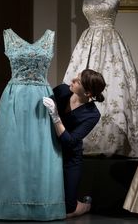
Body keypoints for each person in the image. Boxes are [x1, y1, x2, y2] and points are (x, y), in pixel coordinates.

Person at [43, 69, 106, 218]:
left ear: (88, 93)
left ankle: (86, 205)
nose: (72, 80)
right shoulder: (62, 90)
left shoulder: (92, 114)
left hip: (70, 157)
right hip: (50, 150)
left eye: (77, 81)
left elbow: (69, 142)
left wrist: (56, 117)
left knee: (68, 209)